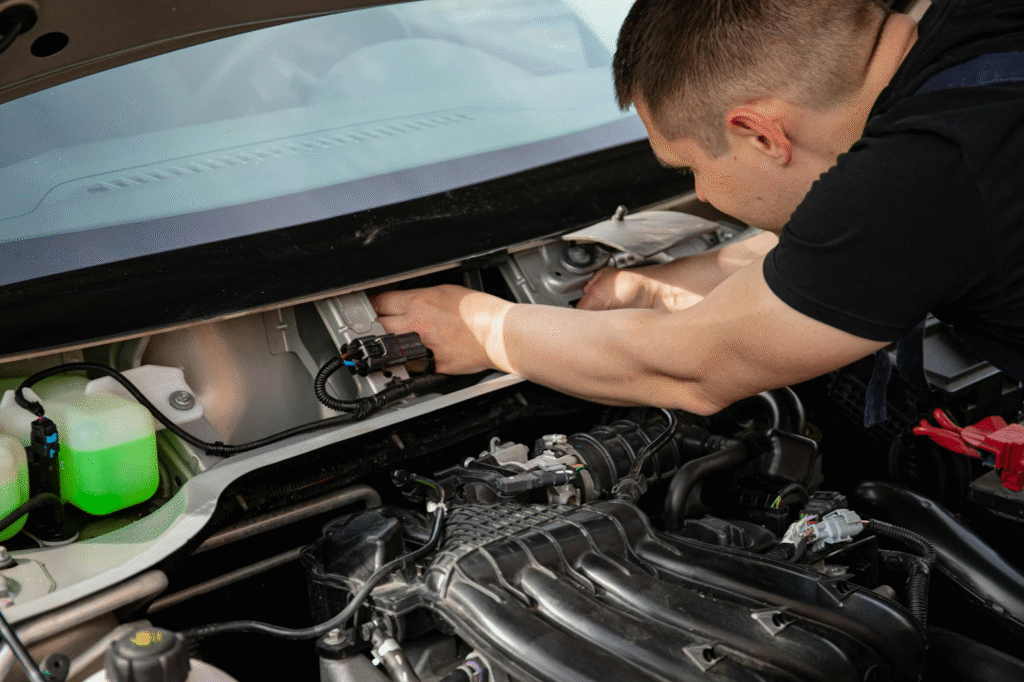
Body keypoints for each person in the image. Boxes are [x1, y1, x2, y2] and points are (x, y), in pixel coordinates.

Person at [373, 0, 1024, 418]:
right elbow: (904, 241)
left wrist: (483, 327)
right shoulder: (974, 31)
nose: (704, 196)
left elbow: (692, 370)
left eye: (691, 169)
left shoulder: (919, 175)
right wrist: (716, 267)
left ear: (761, 134)